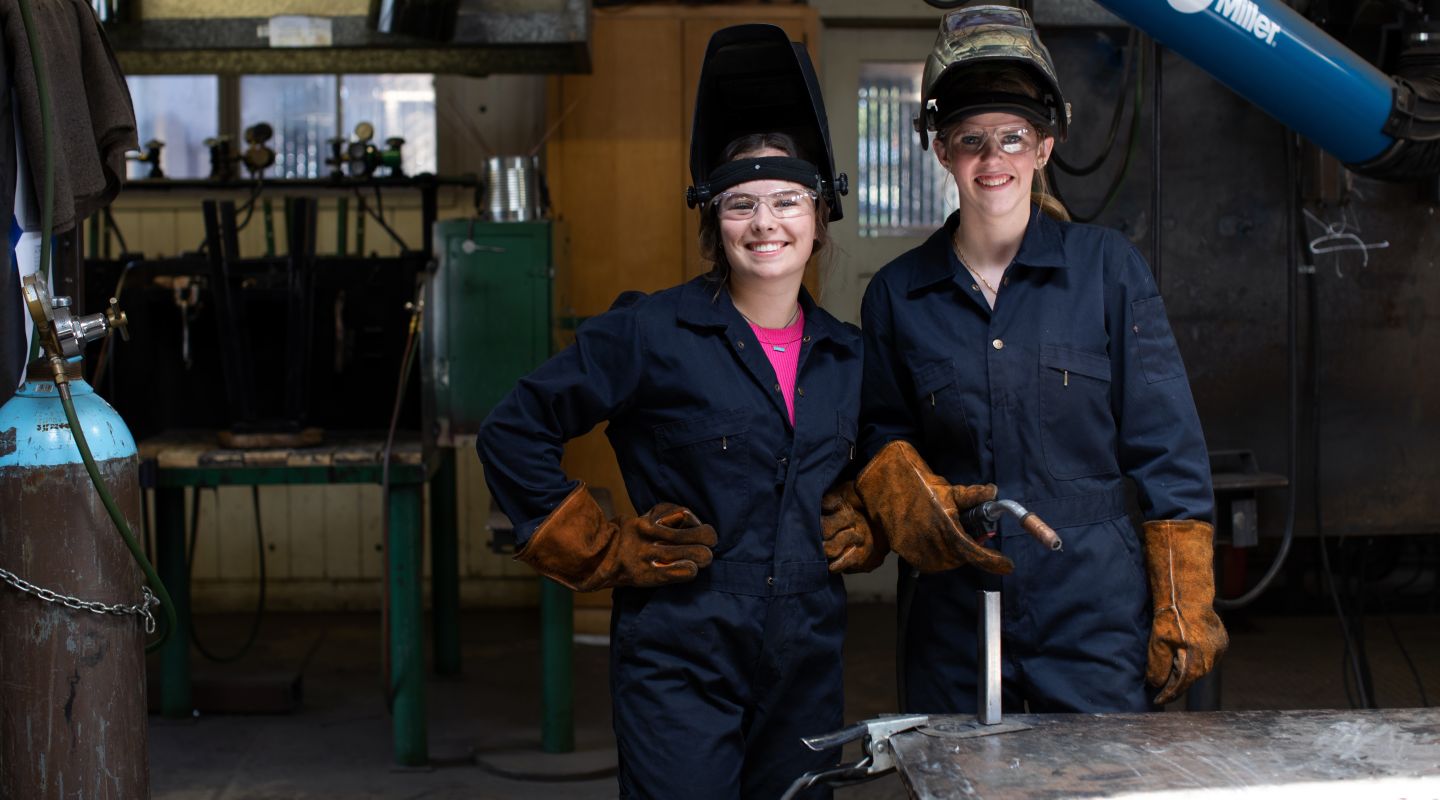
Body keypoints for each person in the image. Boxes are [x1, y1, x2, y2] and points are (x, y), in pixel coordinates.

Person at [478, 24, 877, 799]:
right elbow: (514, 430)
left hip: (805, 657)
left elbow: (879, 465)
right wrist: (596, 547)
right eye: (741, 205)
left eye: (787, 200)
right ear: (713, 220)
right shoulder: (649, 332)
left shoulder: (850, 357)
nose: (766, 224)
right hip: (679, 653)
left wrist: (875, 518)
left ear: (819, 217)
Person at [830, 3, 1227, 715]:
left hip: (1092, 611)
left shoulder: (1109, 271)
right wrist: (896, 482)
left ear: (1045, 148)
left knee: (1096, 784)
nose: (994, 160)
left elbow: (1167, 446)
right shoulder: (898, 294)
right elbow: (881, 431)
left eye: (1014, 138)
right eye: (972, 139)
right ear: (943, 150)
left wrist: (1181, 597)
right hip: (951, 610)